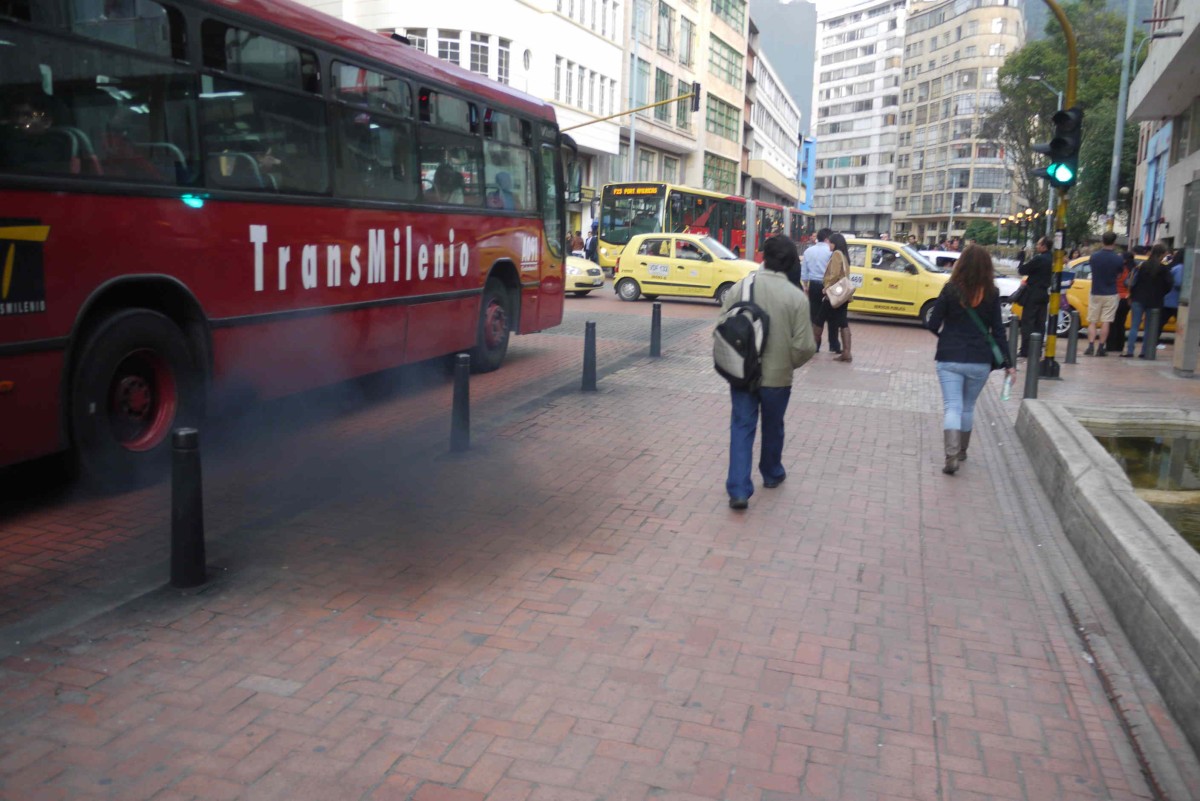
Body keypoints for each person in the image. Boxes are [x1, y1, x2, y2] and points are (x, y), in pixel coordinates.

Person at [721, 235, 816, 509]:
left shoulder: (742, 286)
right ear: (789, 265)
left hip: (743, 373)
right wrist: (788, 362)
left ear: (763, 257)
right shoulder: (796, 298)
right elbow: (805, 346)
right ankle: (772, 472)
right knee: (773, 425)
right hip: (778, 377)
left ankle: (738, 489)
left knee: (741, 426)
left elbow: (723, 323)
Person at [927, 245, 1015, 475]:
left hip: (949, 356)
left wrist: (946, 336)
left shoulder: (949, 289)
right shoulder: (992, 293)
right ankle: (962, 451)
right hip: (979, 359)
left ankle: (951, 454)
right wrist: (1009, 364)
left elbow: (933, 323)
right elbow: (998, 331)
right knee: (968, 406)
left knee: (952, 407)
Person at [1123, 243, 1173, 358]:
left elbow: (1133, 282)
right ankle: (1144, 352)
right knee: (1149, 328)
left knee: (1134, 326)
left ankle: (1130, 351)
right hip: (1155, 301)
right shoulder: (1163, 269)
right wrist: (1161, 293)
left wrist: (1132, 295)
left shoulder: (1142, 265)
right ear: (1162, 254)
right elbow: (1169, 284)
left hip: (1138, 298)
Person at [1084, 231, 1123, 356]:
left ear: (1102, 241)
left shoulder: (1094, 257)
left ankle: (1090, 345)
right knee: (1107, 321)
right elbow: (1119, 275)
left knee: (1092, 321)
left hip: (1096, 291)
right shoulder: (1118, 259)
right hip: (1111, 292)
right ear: (1114, 243)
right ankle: (1101, 347)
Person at [798, 227, 835, 352]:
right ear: (826, 239)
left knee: (813, 315)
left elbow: (804, 272)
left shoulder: (809, 251)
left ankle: (815, 345)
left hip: (813, 285)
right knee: (829, 315)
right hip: (827, 286)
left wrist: (805, 286)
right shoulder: (831, 252)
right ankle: (833, 344)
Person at [1017, 236, 1053, 358]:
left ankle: (1026, 350)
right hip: (1044, 294)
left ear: (1044, 246)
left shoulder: (1039, 259)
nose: (1037, 246)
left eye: (1038, 244)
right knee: (1040, 323)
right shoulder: (1052, 259)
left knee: (1028, 322)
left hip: (1033, 294)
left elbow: (1022, 270)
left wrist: (1021, 258)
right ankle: (1037, 350)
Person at [825, 232, 853, 363]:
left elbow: (834, 274)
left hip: (836, 292)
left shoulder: (836, 254)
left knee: (840, 321)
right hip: (844, 294)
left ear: (834, 243)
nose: (828, 245)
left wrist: (827, 287)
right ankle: (846, 352)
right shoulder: (844, 255)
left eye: (830, 243)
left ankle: (846, 352)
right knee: (842, 321)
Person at [1107, 251, 1135, 353]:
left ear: (1124, 259)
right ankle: (1120, 345)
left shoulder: (1120, 269)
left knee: (1113, 322)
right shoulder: (1133, 270)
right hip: (1127, 299)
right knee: (1121, 323)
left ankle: (1111, 346)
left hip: (1116, 296)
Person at [1162, 249, 1184, 331]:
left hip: (1169, 300)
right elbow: (1178, 283)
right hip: (1174, 301)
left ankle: (1154, 341)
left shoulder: (1174, 267)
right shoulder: (1180, 268)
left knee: (1160, 323)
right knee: (1182, 324)